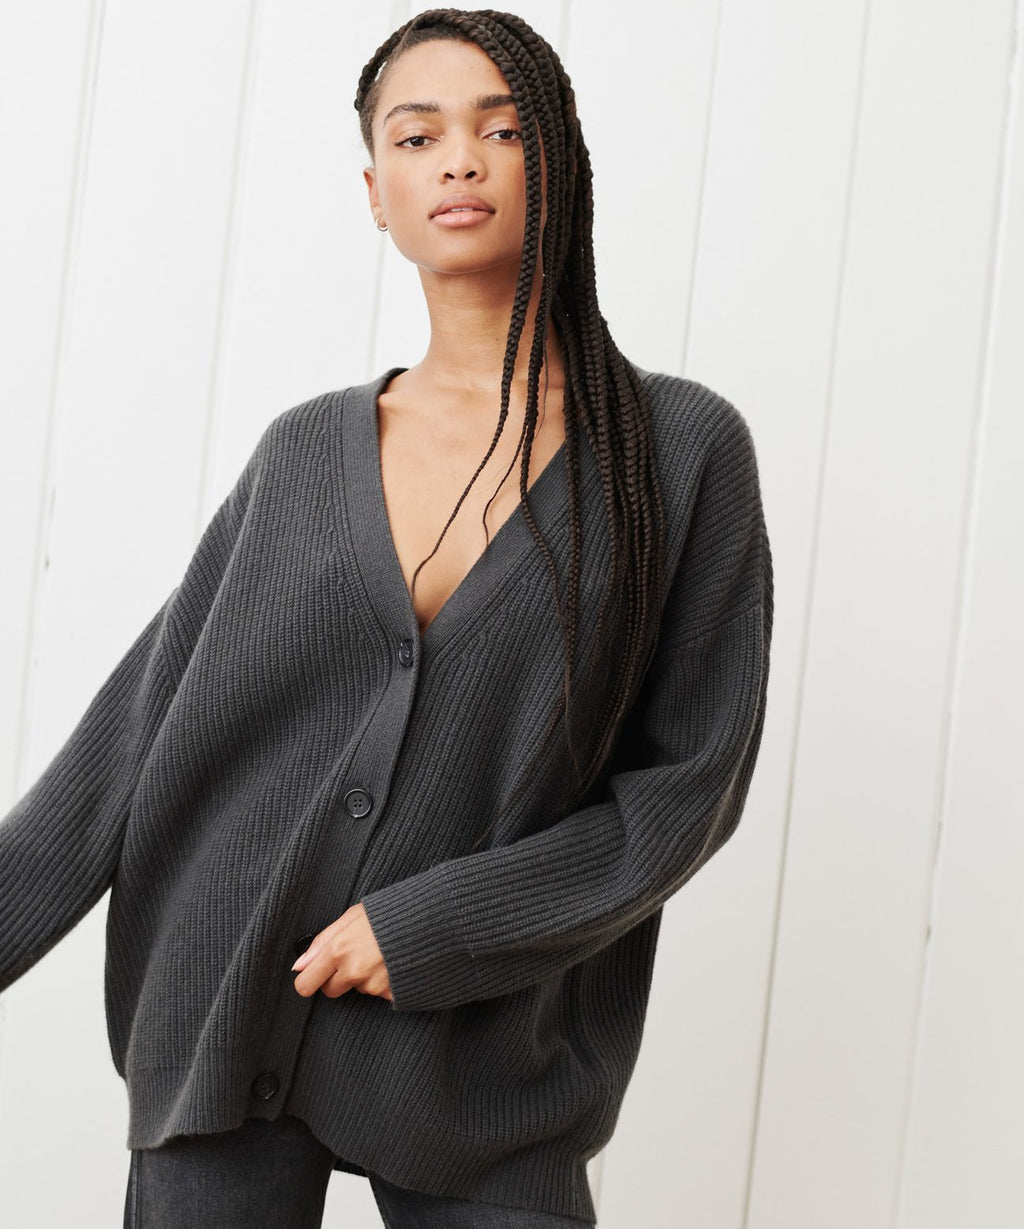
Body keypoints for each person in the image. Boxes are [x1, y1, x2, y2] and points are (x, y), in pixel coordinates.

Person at [0, 8, 774, 1228]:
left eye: (501, 129)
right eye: (417, 137)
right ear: (376, 192)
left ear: (562, 162)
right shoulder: (306, 450)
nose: (458, 160)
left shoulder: (674, 451)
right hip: (225, 1002)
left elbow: (687, 789)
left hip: (488, 1055)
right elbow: (132, 733)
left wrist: (431, 927)